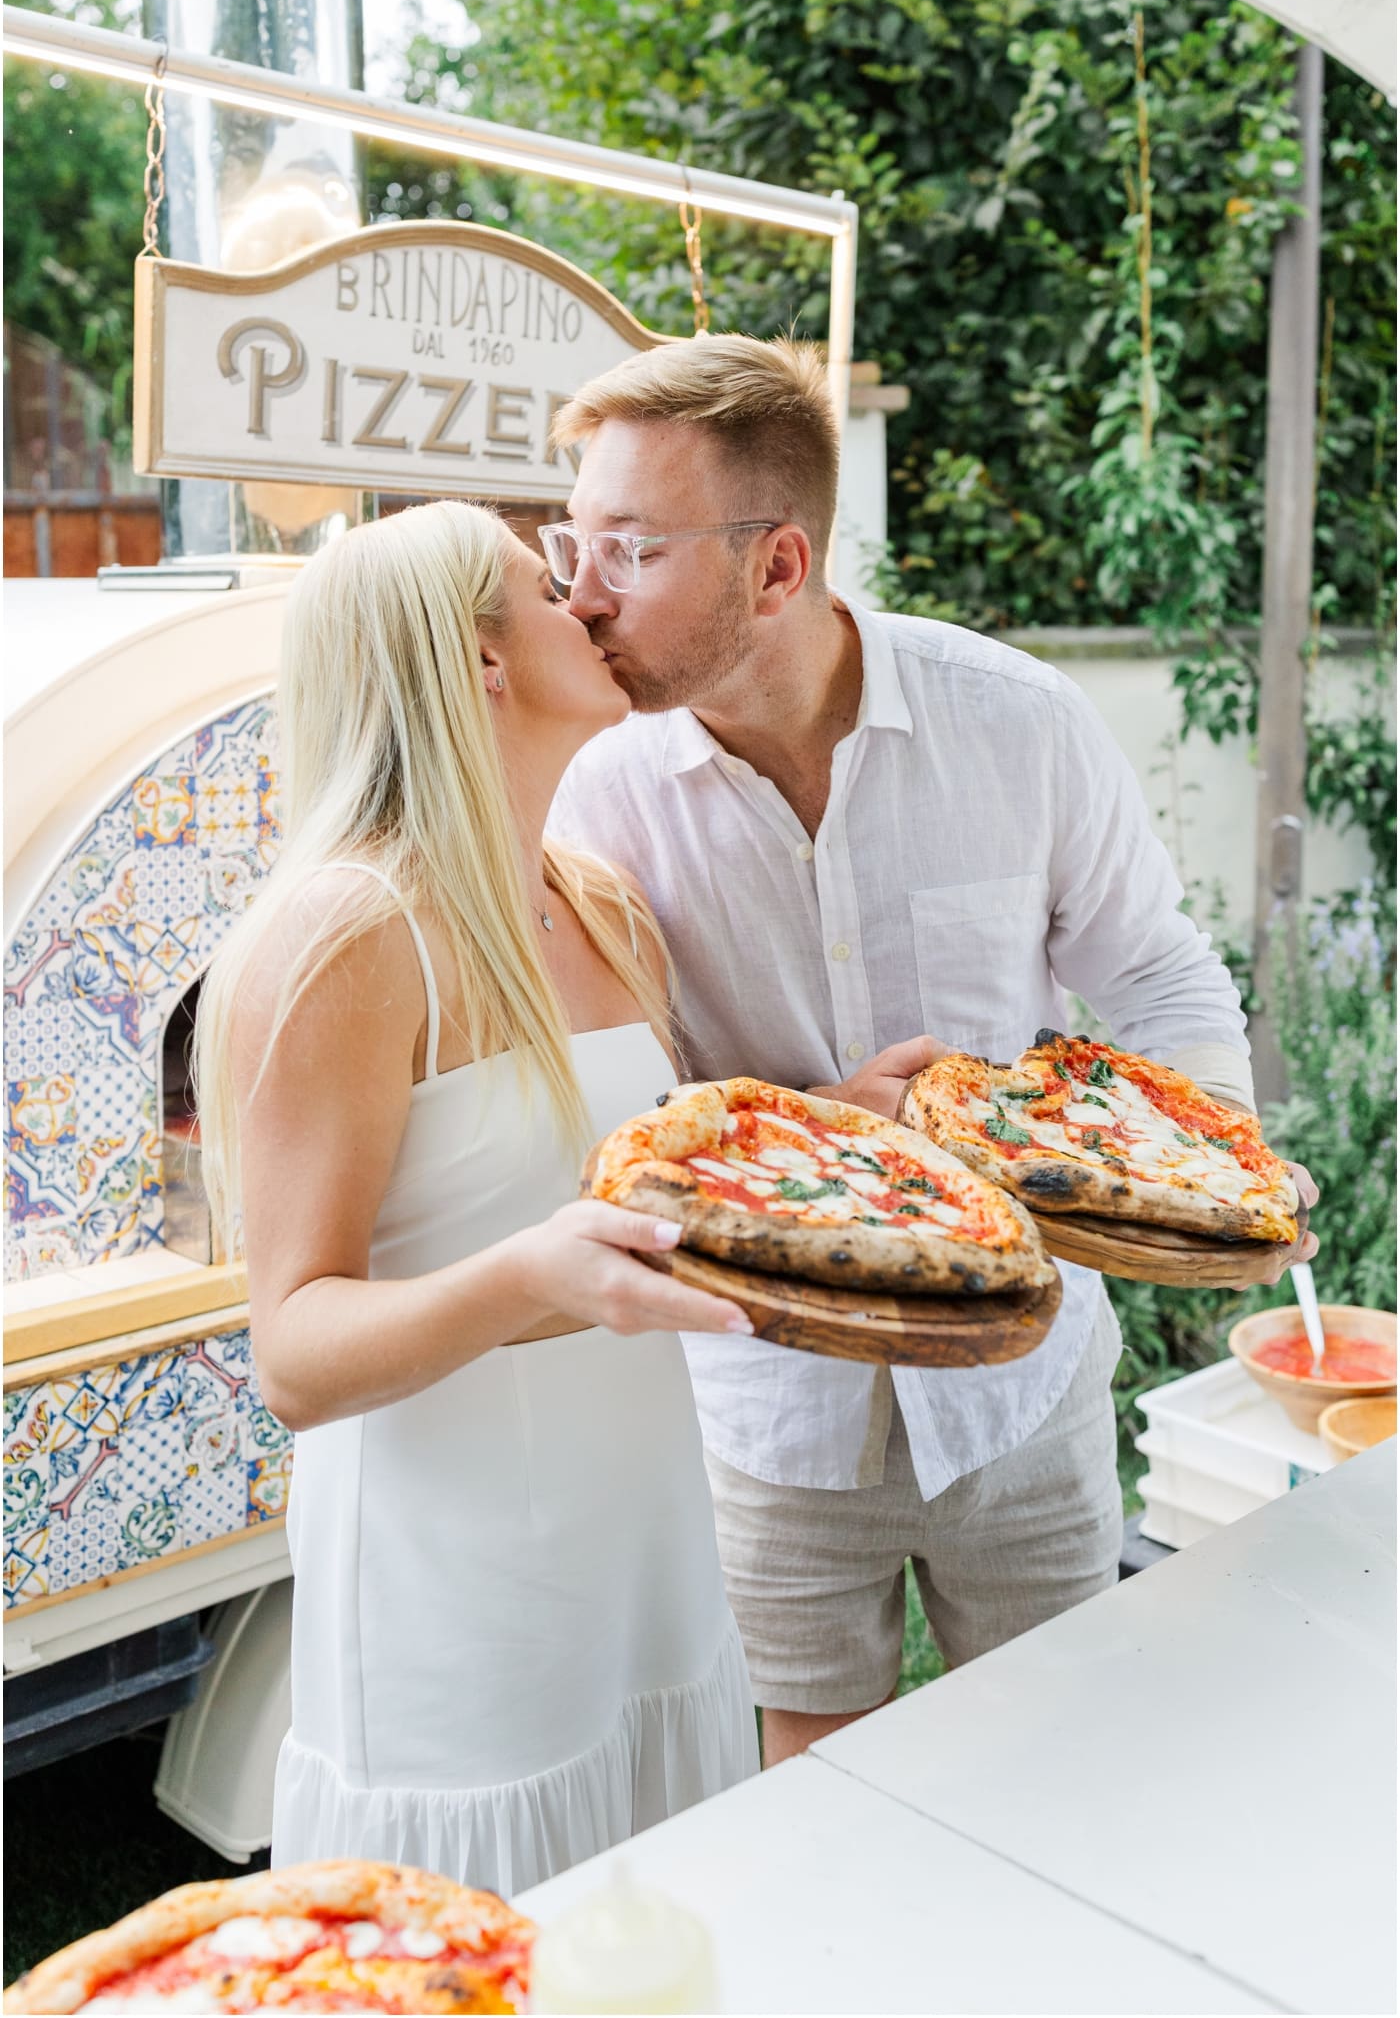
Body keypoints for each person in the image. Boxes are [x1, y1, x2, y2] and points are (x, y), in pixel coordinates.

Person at [546, 335, 1319, 1766]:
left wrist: (1198, 1174)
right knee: (808, 1786)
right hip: (769, 1397)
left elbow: (1151, 968)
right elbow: (613, 1103)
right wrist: (823, 1133)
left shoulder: (1018, 725)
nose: (580, 596)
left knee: (1060, 1766)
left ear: (777, 567)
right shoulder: (596, 794)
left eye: (632, 551)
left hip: (1022, 1387)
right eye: (572, 542)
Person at [194, 500, 759, 1894]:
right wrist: (527, 1278)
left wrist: (828, 1140)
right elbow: (294, 1352)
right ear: (481, 660)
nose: (596, 606)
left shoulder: (603, 903)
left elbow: (656, 1187)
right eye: (554, 587)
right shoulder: (342, 938)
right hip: (461, 1603)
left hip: (651, 1549)